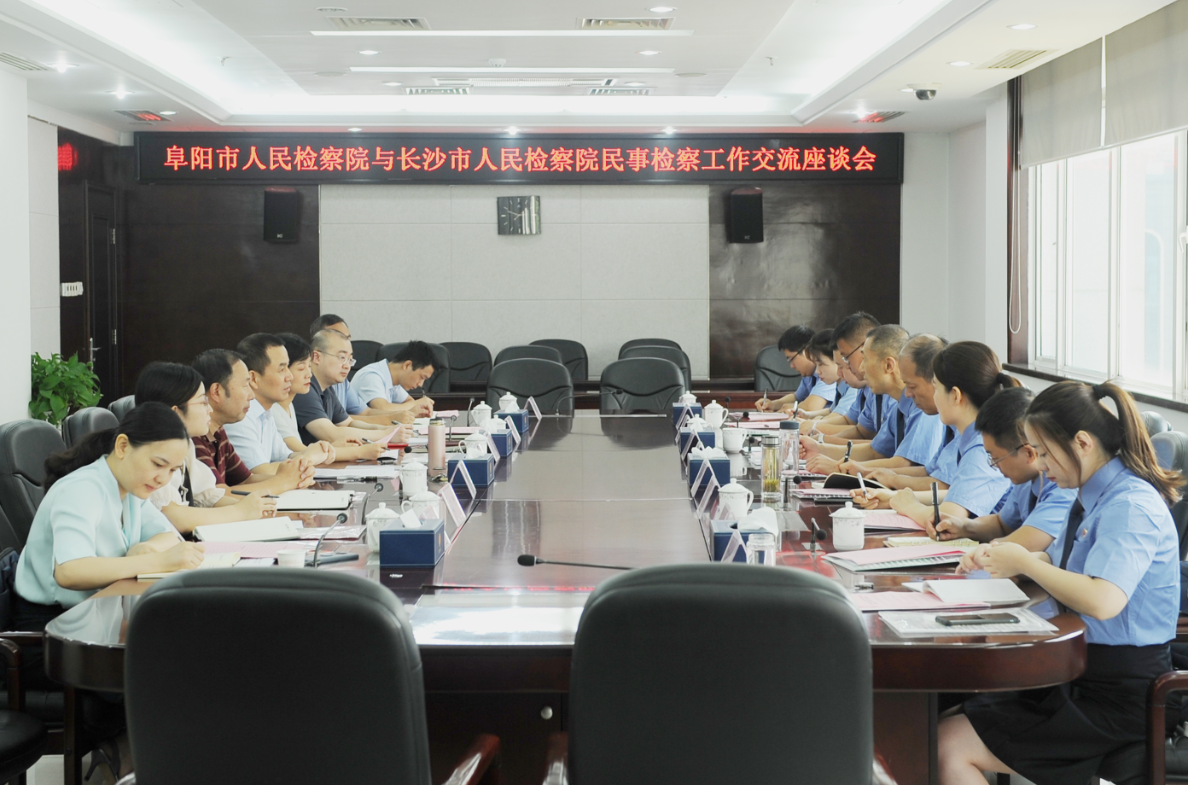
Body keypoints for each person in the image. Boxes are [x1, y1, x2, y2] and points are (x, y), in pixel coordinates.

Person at [939, 380, 1181, 785]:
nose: (1040, 465)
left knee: (948, 745)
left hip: (1121, 696)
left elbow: (1103, 599)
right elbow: (1063, 563)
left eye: (1046, 452)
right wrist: (1008, 558)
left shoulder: (1130, 505)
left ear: (1083, 443)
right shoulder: (1093, 494)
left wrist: (1026, 563)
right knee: (947, 716)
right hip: (1077, 669)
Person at [13, 403, 206, 629]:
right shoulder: (81, 489)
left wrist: (146, 548)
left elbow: (168, 536)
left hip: (98, 613)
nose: (163, 479)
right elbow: (70, 571)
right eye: (157, 464)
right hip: (54, 625)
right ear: (122, 446)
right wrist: (155, 561)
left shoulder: (131, 488)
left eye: (172, 470)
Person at [852, 342, 1015, 528]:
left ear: (955, 395)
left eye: (936, 388)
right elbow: (956, 494)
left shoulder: (983, 448)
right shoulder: (965, 436)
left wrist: (909, 505)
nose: (934, 396)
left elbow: (947, 521)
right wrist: (894, 497)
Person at [134, 362, 277, 533]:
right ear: (174, 412)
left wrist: (258, 509)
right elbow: (173, 517)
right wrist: (240, 512)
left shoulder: (185, 444)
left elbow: (208, 497)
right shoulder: (150, 452)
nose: (209, 410)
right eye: (203, 403)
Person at [943, 387, 1077, 556]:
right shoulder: (1026, 479)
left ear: (1028, 454)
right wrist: (963, 527)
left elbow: (1026, 544)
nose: (994, 465)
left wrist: (982, 550)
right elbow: (1001, 524)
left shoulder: (1063, 484)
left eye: (995, 458)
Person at [802, 325, 944, 474]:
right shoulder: (899, 406)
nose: (861, 368)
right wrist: (819, 448)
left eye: (865, 360)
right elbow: (875, 451)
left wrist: (840, 468)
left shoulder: (923, 406)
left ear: (889, 365)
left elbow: (906, 464)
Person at [191, 348, 314, 494]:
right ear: (217, 391)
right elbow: (217, 496)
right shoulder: (195, 435)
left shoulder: (218, 431)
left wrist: (296, 477)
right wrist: (284, 482)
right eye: (245, 386)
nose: (251, 395)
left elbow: (246, 479)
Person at [223, 333, 335, 472]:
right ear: (253, 379)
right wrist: (308, 457)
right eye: (282, 369)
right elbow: (260, 472)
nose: (290, 376)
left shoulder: (265, 412)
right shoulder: (240, 416)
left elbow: (284, 456)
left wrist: (317, 450)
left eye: (288, 367)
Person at [857, 334, 955, 491]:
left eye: (912, 386)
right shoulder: (952, 425)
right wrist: (867, 472)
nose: (907, 394)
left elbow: (943, 487)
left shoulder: (929, 414)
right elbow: (929, 472)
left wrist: (893, 483)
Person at [291, 330, 398, 456]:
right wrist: (386, 434)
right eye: (342, 358)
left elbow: (349, 423)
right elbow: (331, 434)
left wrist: (386, 429)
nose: (347, 366)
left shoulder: (327, 388)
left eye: (350, 359)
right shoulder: (304, 389)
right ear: (317, 357)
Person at [309, 314, 417, 425]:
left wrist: (397, 416)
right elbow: (336, 425)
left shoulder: (339, 383)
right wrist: (391, 420)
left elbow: (364, 413)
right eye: (338, 336)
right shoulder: (308, 387)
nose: (345, 342)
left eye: (347, 338)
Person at [809, 313, 887, 440]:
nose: (839, 374)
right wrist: (819, 438)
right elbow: (861, 431)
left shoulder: (891, 395)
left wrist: (818, 434)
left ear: (865, 348)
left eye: (846, 359)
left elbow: (879, 448)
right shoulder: (868, 390)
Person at [755, 325, 833, 413]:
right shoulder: (808, 375)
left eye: (791, 359)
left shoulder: (827, 372)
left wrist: (790, 408)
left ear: (807, 351)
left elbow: (811, 407)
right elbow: (796, 397)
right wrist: (773, 404)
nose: (791, 366)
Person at [349, 339, 437, 417]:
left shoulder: (393, 380)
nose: (420, 384)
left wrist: (414, 406)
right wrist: (415, 404)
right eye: (422, 377)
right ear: (407, 365)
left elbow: (409, 401)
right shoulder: (372, 376)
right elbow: (382, 409)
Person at [796, 330, 853, 418]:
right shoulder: (840, 385)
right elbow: (832, 410)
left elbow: (838, 417)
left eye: (821, 364)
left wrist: (814, 423)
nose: (817, 371)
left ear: (837, 359)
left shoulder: (853, 386)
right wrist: (807, 415)